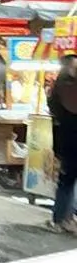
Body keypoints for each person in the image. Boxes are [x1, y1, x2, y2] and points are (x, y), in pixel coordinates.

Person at [47, 54, 77, 233]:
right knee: (67, 180)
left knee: (68, 180)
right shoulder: (64, 87)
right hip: (69, 141)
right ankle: (60, 218)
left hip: (67, 140)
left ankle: (66, 216)